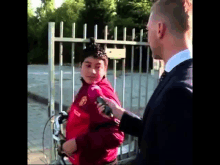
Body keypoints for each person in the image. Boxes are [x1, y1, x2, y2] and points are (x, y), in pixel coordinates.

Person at [97, 0, 193, 164]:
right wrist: (119, 113)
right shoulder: (180, 74)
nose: (147, 36)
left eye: (147, 29)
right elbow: (158, 135)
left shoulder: (178, 92)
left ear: (160, 29)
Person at [61, 37, 124, 165]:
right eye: (88, 65)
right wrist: (72, 112)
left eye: (98, 66)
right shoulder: (88, 85)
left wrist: (77, 143)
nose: (92, 71)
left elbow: (116, 136)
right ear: (80, 66)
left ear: (105, 69)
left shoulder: (101, 93)